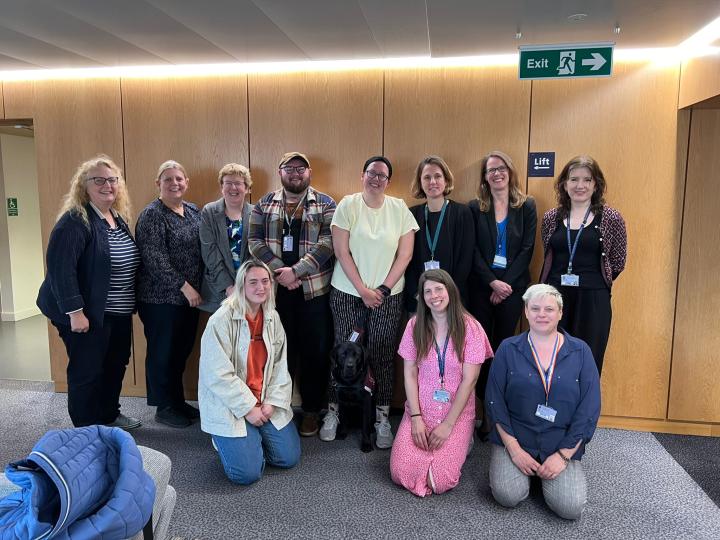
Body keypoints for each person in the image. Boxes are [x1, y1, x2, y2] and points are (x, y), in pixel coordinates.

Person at [320, 155, 419, 448]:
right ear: (362, 175)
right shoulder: (348, 205)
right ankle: (334, 412)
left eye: (383, 175)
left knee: (381, 354)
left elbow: (405, 255)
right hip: (348, 293)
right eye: (372, 173)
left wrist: (383, 289)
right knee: (343, 352)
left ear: (389, 181)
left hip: (388, 296)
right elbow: (341, 251)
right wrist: (363, 289)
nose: (377, 179)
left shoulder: (399, 208)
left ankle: (382, 417)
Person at [37, 155, 142, 429]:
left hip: (115, 311)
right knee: (88, 370)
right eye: (99, 180)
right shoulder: (75, 220)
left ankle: (108, 414)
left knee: (115, 364)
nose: (107, 185)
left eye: (112, 180)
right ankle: (85, 428)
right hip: (86, 313)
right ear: (84, 186)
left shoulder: (116, 218)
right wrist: (75, 312)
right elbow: (61, 269)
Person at [485, 284, 601, 520]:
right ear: (526, 311)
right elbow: (494, 401)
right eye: (535, 308)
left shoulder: (581, 351)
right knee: (507, 496)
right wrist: (515, 451)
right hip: (516, 435)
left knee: (570, 508)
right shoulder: (508, 348)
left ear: (560, 313)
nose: (541, 314)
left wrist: (563, 456)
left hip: (560, 440)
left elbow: (589, 408)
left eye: (549, 309)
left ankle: (545, 471)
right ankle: (529, 471)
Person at [248, 152, 336, 437]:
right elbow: (254, 241)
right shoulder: (264, 203)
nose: (295, 173)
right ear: (280, 171)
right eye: (289, 168)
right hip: (276, 292)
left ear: (309, 172)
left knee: (315, 353)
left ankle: (311, 411)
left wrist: (296, 272)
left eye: (301, 168)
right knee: (278, 353)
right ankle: (281, 408)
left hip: (314, 292)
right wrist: (280, 272)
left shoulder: (325, 203)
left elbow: (328, 242)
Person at [390, 269, 492, 497]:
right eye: (428, 291)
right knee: (400, 473)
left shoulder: (471, 328)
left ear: (450, 291)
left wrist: (447, 425)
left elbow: (470, 379)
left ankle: (465, 440)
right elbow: (410, 374)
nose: (434, 295)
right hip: (421, 409)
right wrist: (415, 418)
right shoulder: (414, 325)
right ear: (421, 297)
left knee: (440, 480)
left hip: (455, 414)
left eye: (439, 289)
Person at [198, 259, 300, 485]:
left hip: (264, 400)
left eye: (265, 281)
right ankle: (229, 439)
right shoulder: (220, 320)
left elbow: (280, 367)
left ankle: (251, 438)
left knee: (288, 458)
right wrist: (248, 408)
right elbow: (217, 375)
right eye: (253, 282)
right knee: (246, 474)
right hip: (232, 404)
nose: (260, 288)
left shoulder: (273, 317)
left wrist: (271, 403)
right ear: (241, 285)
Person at [468, 150, 537, 436]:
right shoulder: (475, 207)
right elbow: (471, 250)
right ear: (484, 177)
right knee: (481, 352)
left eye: (501, 168)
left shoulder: (527, 206)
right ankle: (480, 412)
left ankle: (499, 414)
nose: (496, 174)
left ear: (510, 172)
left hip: (514, 288)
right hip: (481, 288)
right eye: (490, 170)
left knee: (504, 351)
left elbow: (527, 249)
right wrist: (492, 283)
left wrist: (505, 283)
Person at [540, 155, 627, 375]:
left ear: (596, 184)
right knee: (553, 360)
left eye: (587, 180)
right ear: (564, 184)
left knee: (588, 360)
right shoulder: (551, 217)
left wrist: (592, 282)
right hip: (555, 299)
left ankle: (584, 410)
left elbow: (618, 261)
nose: (580, 185)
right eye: (574, 179)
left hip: (593, 300)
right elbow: (549, 254)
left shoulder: (611, 218)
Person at [136, 160, 203, 428]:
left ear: (186, 182)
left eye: (179, 178)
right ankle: (163, 407)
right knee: (162, 352)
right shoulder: (153, 214)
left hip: (191, 299)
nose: (174, 183)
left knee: (180, 352)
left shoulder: (193, 210)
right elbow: (154, 258)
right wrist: (185, 287)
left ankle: (176, 401)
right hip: (160, 299)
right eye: (168, 179)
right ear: (158, 184)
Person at [405, 156, 474, 312]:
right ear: (420, 182)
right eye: (427, 177)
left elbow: (466, 259)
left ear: (446, 180)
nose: (432, 182)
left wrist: (448, 293)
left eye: (437, 176)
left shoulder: (462, 213)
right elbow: (406, 260)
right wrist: (418, 293)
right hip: (419, 299)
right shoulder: (411, 214)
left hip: (453, 298)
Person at [199, 163, 253, 313]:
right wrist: (228, 287)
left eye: (238, 183)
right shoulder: (209, 212)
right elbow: (209, 252)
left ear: (247, 188)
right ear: (222, 187)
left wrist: (246, 285)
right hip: (219, 289)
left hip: (250, 289)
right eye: (228, 183)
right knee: (221, 335)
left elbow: (257, 253)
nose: (233, 188)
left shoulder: (256, 213)